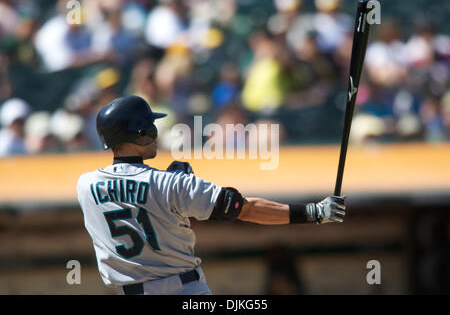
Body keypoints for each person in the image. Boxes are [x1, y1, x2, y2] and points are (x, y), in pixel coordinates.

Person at [76, 95, 346, 295]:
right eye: (152, 129)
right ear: (142, 134)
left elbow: (133, 195)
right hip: (185, 292)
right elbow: (244, 209)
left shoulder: (84, 185)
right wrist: (315, 213)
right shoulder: (170, 184)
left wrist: (174, 191)